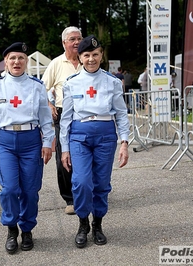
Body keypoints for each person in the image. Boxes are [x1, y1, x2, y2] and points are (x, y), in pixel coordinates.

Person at [0, 42, 54, 254]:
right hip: (6, 141)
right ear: (6, 62)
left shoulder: (37, 86)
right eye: (12, 58)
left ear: (26, 61)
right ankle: (12, 229)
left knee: (30, 191)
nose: (16, 62)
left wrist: (47, 142)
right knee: (10, 189)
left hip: (31, 141)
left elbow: (45, 118)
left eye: (20, 58)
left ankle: (27, 230)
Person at [59, 35, 130, 248]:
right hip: (79, 136)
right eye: (86, 55)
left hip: (106, 135)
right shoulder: (71, 83)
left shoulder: (112, 82)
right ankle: (83, 223)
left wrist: (124, 142)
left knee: (101, 183)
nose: (91, 59)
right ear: (79, 57)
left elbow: (121, 114)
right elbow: (66, 118)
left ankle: (97, 223)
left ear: (101, 56)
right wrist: (64, 148)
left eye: (95, 54)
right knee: (81, 181)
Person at [41, 26, 83, 215]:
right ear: (64, 43)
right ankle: (70, 198)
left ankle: (88, 192)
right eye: (72, 39)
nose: (77, 42)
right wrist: (49, 104)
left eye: (79, 38)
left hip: (85, 115)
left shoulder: (88, 60)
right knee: (64, 157)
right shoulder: (56, 64)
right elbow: (41, 88)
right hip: (62, 114)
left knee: (86, 154)